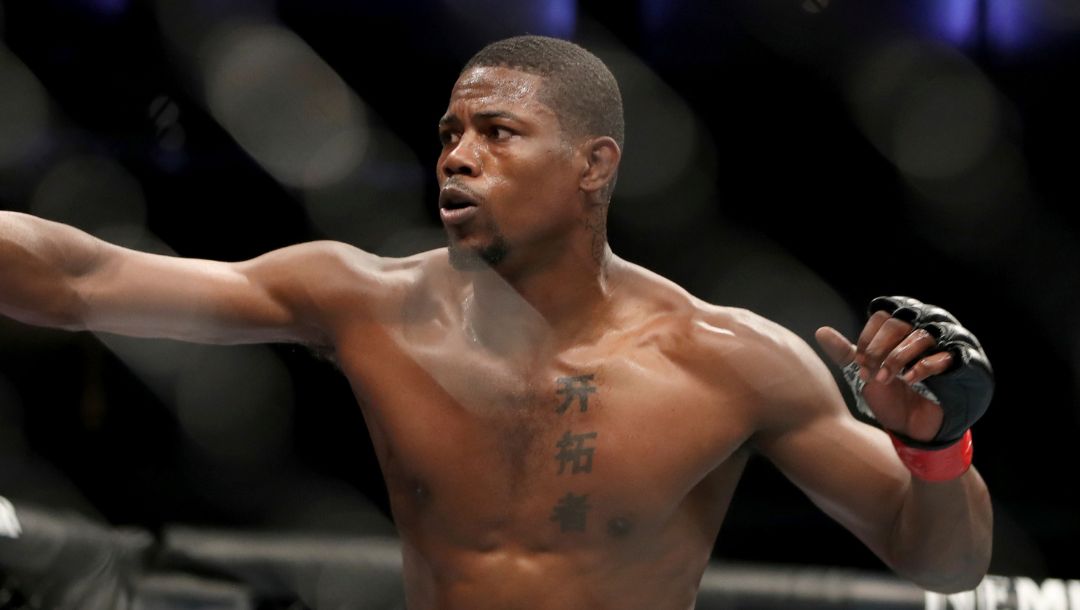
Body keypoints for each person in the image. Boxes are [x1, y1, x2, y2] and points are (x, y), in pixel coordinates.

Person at [0, 35, 993, 609]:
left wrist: (936, 451)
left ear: (593, 164)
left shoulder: (732, 359)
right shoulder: (363, 298)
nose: (456, 157)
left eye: (497, 133)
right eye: (449, 135)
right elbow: (84, 278)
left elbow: (944, 561)